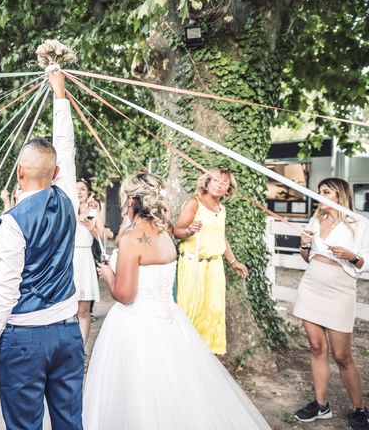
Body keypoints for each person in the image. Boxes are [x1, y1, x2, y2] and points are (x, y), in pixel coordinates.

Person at [83, 172, 270, 429]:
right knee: (171, 388)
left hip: (135, 326)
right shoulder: (165, 235)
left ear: (131, 201)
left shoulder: (131, 239)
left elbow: (125, 295)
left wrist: (108, 275)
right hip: (169, 324)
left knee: (136, 392)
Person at [0, 67, 84, 430]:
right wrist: (60, 94)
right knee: (70, 423)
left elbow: (6, 287)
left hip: (24, 340)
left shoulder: (12, 223)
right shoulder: (69, 198)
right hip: (68, 334)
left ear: (20, 172)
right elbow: (64, 147)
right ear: (54, 173)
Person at [292, 178, 369, 428]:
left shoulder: (359, 225)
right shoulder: (315, 221)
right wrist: (304, 244)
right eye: (319, 192)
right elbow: (307, 257)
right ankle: (321, 405)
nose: (320, 196)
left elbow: (365, 263)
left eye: (326, 192)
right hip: (311, 286)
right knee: (316, 347)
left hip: (339, 291)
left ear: (340, 195)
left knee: (342, 355)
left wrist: (351, 256)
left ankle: (359, 409)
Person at [173, 168, 248, 355]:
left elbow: (220, 237)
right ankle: (185, 357)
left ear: (228, 189)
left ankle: (210, 362)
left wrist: (233, 261)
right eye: (216, 180)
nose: (220, 185)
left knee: (213, 314)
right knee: (190, 312)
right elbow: (176, 231)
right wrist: (189, 230)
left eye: (225, 183)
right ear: (207, 182)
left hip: (214, 268)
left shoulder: (221, 209)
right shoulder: (194, 202)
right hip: (192, 265)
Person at [73, 179, 101, 344]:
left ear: (88, 191)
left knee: (83, 310)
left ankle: (81, 349)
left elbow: (101, 238)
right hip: (69, 259)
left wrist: (90, 226)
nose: (79, 192)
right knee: (67, 309)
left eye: (83, 189)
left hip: (85, 260)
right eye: (76, 189)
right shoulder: (66, 210)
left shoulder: (94, 211)